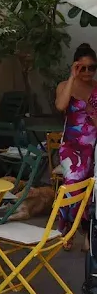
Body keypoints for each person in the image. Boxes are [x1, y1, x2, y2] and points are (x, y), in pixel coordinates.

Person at [54, 42, 97, 246]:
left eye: (92, 68)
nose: (87, 72)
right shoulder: (65, 86)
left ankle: (79, 231)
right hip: (71, 148)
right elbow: (61, 106)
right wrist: (72, 77)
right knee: (72, 187)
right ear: (75, 67)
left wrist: (90, 109)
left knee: (88, 194)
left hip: (92, 150)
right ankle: (67, 228)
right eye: (83, 67)